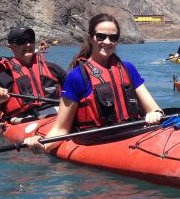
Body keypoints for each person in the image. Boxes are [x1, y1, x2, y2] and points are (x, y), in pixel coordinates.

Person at [25, 13, 164, 154]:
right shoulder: (77, 77)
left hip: (134, 133)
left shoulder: (128, 69)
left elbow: (154, 108)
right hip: (97, 140)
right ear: (91, 38)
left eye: (113, 38)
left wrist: (155, 114)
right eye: (101, 36)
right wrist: (43, 146)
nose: (107, 42)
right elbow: (62, 128)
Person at [0, 26, 67, 131]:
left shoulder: (54, 69)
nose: (28, 44)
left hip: (58, 118)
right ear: (10, 47)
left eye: (31, 40)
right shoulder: (2, 80)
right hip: (25, 123)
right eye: (21, 41)